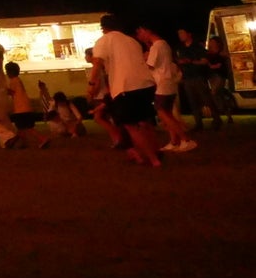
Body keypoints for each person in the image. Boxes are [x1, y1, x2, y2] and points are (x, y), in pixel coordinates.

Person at [91, 15, 165, 168]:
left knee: (131, 126)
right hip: (146, 83)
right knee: (145, 121)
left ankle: (153, 160)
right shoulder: (132, 41)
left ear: (103, 28)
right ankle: (156, 151)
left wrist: (91, 84)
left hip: (126, 86)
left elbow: (97, 63)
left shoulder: (104, 40)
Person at [135, 25, 195, 153]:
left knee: (163, 112)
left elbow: (150, 65)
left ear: (147, 30)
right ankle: (174, 141)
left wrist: (144, 58)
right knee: (167, 113)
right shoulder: (164, 44)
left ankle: (186, 139)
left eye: (140, 32)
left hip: (163, 83)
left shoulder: (157, 46)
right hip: (168, 82)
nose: (139, 36)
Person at [174, 28, 215, 132]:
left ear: (189, 34)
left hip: (198, 76)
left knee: (206, 99)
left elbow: (204, 61)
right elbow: (178, 61)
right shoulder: (181, 49)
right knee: (193, 101)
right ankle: (198, 123)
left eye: (182, 33)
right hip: (187, 77)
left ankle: (216, 119)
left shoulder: (197, 47)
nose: (180, 35)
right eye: (179, 34)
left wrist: (191, 61)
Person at [3, 62, 49, 150]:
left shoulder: (14, 81)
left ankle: (42, 138)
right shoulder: (18, 80)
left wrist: (2, 88)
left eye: (7, 71)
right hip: (24, 107)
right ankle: (21, 143)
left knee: (28, 128)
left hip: (21, 109)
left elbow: (11, 92)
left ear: (10, 72)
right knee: (21, 128)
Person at [203, 37, 237, 125]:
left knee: (214, 93)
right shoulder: (208, 54)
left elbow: (218, 66)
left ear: (217, 43)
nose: (211, 43)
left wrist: (209, 64)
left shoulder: (221, 54)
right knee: (219, 95)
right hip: (211, 76)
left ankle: (220, 110)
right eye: (211, 42)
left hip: (219, 76)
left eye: (213, 42)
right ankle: (227, 114)